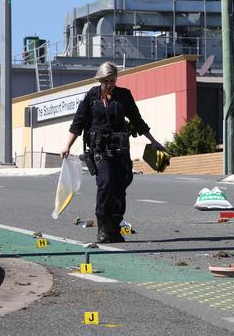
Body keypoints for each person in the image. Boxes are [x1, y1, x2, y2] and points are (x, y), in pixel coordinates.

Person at [60, 61, 165, 243]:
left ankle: (115, 228)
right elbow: (78, 122)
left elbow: (137, 121)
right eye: (106, 81)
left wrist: (154, 141)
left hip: (121, 149)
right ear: (101, 80)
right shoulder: (92, 96)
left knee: (120, 187)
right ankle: (103, 228)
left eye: (113, 80)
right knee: (105, 183)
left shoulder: (124, 96)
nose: (110, 84)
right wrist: (67, 145)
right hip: (99, 150)